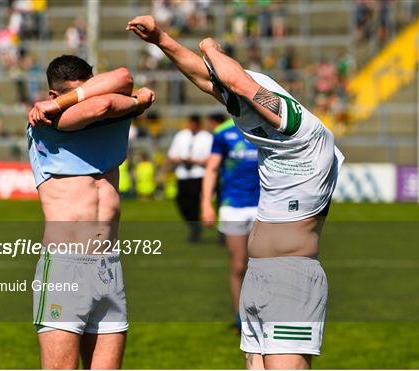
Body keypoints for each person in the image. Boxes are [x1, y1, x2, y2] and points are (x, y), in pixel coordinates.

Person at [127, 16, 343, 370]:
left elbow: (236, 81)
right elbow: (209, 80)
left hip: (291, 277)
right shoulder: (269, 135)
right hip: (259, 275)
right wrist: (161, 39)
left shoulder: (302, 130)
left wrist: (210, 47)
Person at [26, 55, 155, 369]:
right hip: (64, 266)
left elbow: (123, 75)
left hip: (108, 265)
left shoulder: (71, 106)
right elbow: (104, 105)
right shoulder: (48, 121)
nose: (92, 95)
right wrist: (137, 101)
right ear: (53, 97)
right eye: (73, 94)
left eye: (91, 88)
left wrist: (131, 97)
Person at [201, 117, 259, 331]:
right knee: (238, 264)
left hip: (263, 207)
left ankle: (263, 314)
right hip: (232, 206)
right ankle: (240, 317)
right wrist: (206, 203)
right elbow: (212, 169)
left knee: (265, 264)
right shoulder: (224, 132)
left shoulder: (265, 127)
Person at [167, 114, 213, 243]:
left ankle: (196, 228)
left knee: (194, 202)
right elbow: (172, 155)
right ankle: (193, 224)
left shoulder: (206, 137)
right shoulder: (181, 135)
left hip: (198, 174)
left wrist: (196, 161)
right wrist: (181, 159)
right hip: (183, 174)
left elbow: (210, 158)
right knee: (181, 201)